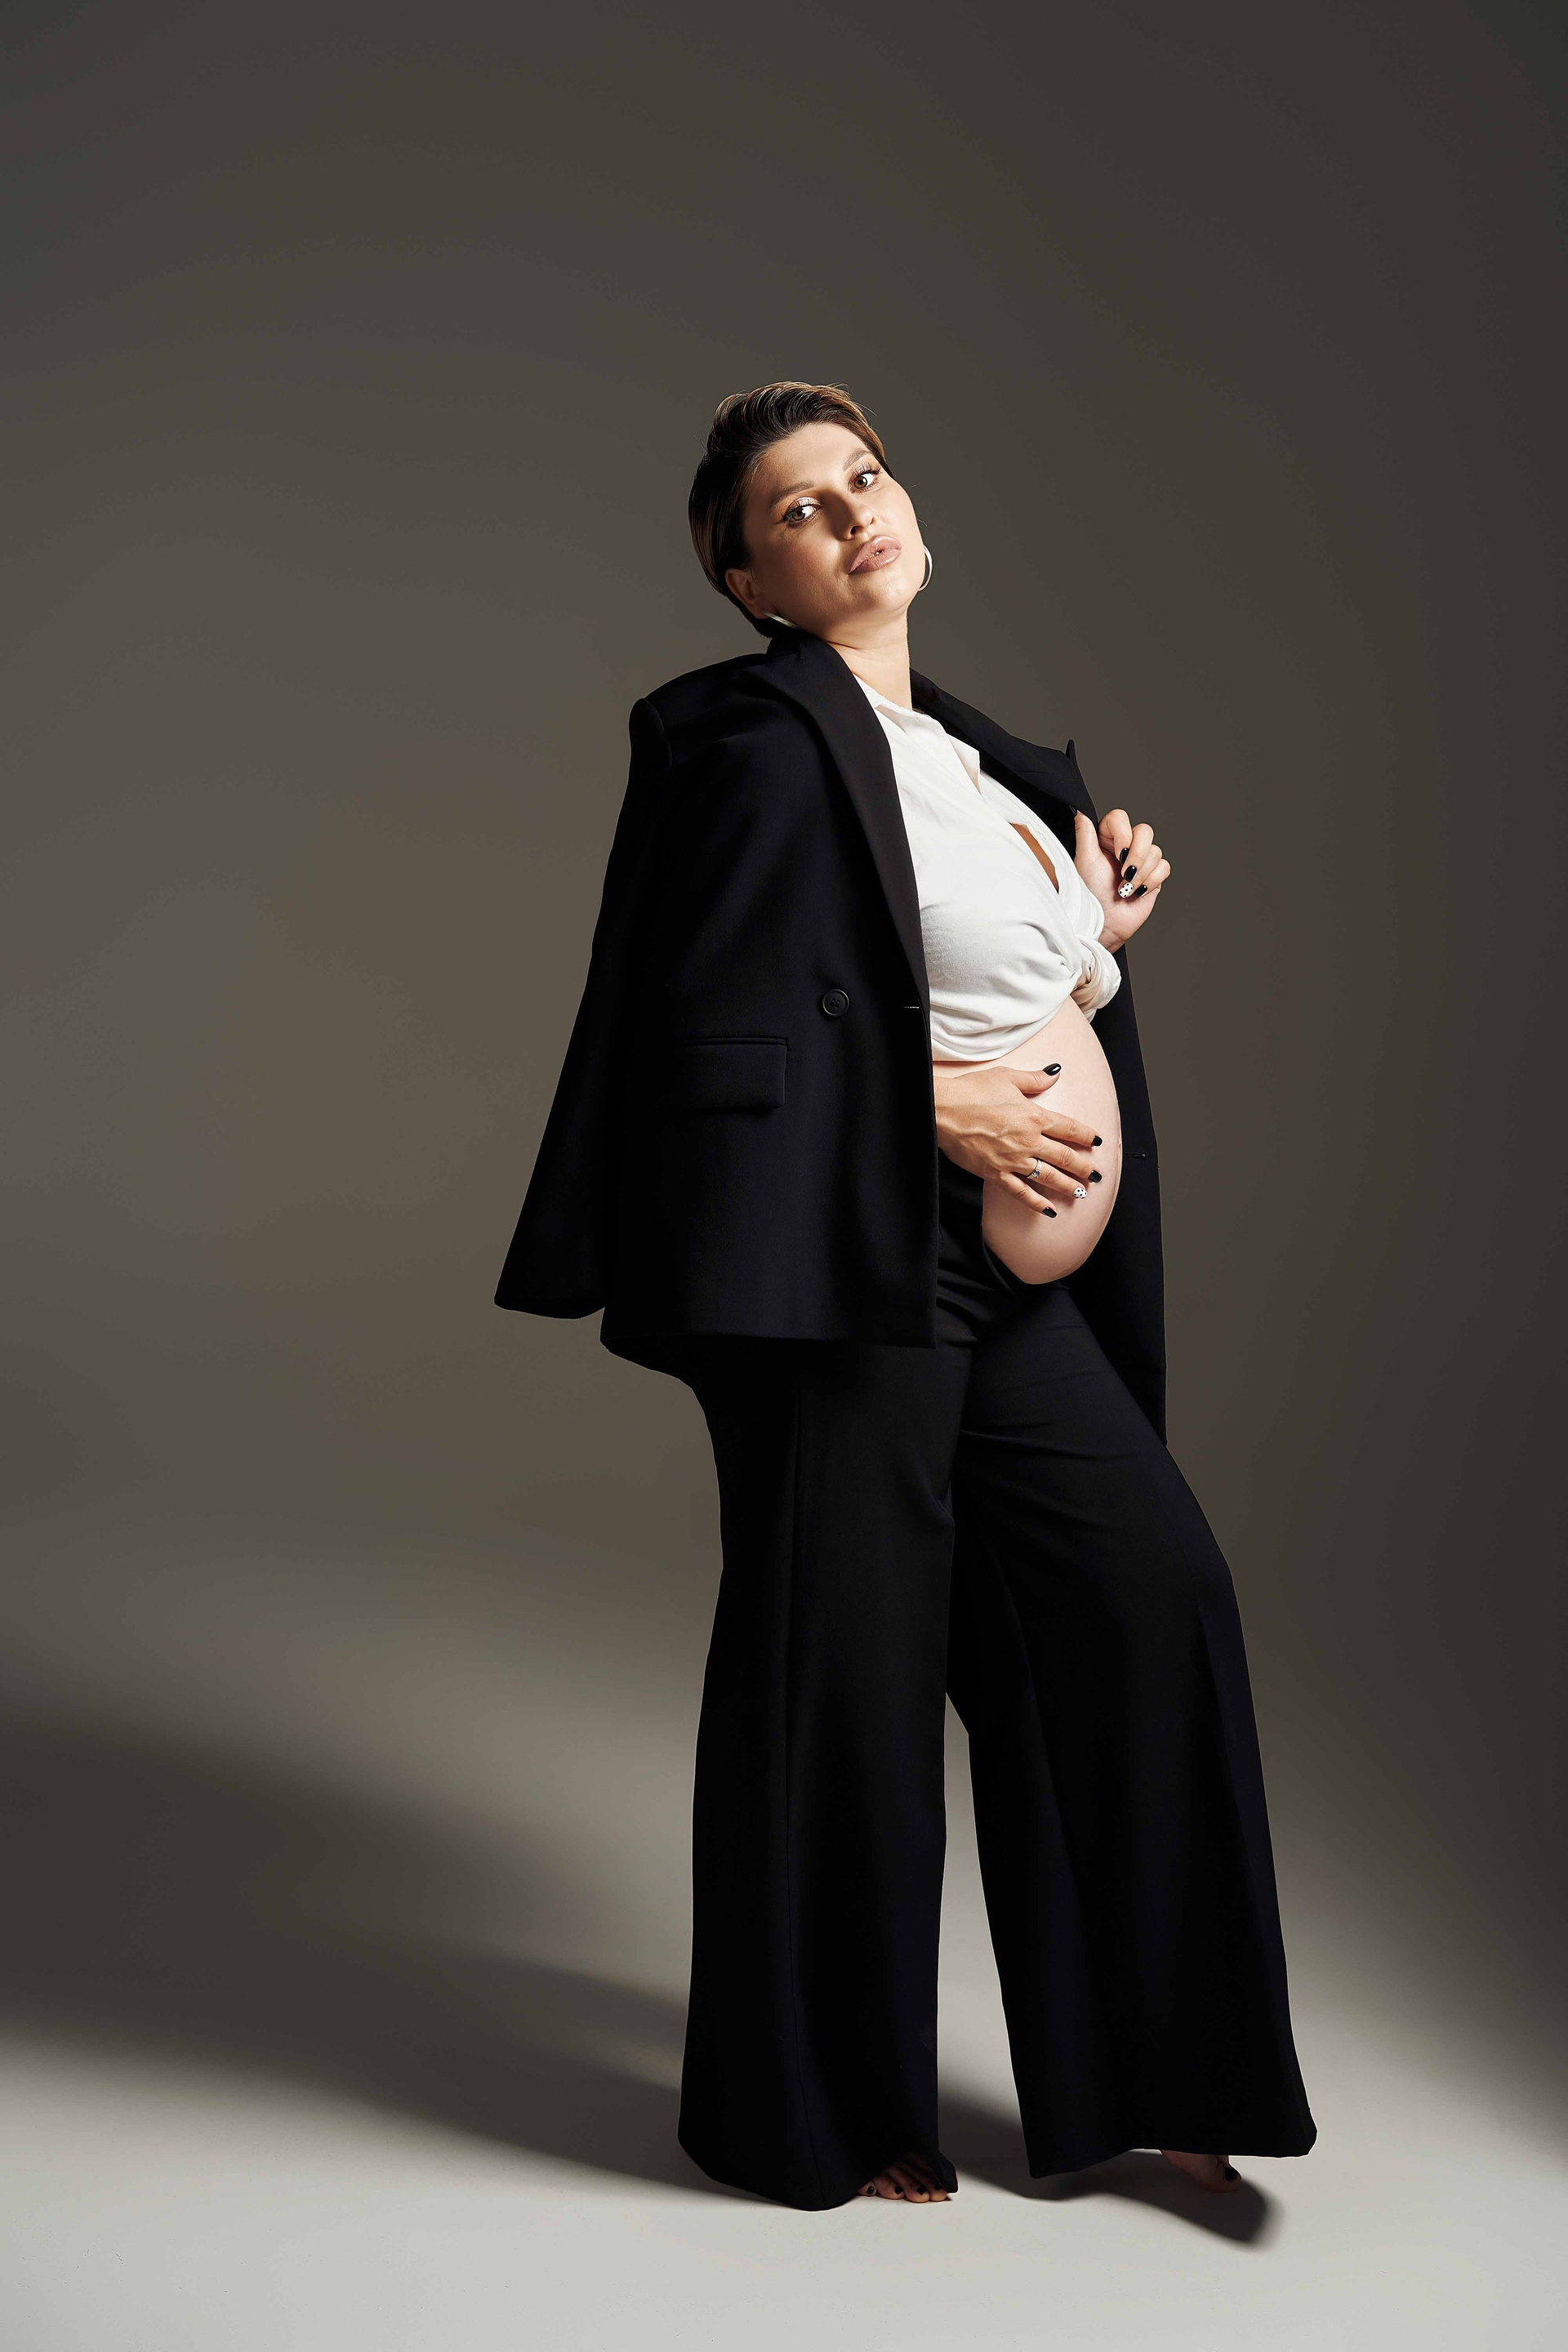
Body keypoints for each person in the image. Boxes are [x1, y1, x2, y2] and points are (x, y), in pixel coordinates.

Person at [496, 382, 1316, 2211]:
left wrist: (1090, 942)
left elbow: (951, 983)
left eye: (864, 477)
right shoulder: (742, 742)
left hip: (999, 1281)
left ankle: (1163, 2070)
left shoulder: (973, 760)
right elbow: (701, 1030)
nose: (854, 512)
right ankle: (818, 2107)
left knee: (1148, 1591)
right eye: (800, 508)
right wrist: (926, 1113)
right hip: (850, 1263)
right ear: (750, 583)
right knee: (841, 1677)